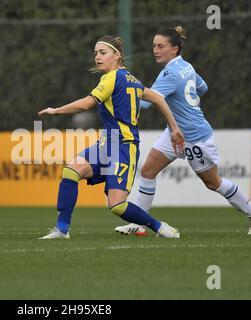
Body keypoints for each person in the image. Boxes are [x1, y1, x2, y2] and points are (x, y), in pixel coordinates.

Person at [115, 26, 251, 236]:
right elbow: (202, 87)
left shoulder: (169, 73)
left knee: (213, 182)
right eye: (154, 46)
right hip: (175, 132)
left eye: (161, 46)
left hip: (194, 137)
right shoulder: (186, 66)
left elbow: (150, 102)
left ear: (175, 49)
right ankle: (140, 222)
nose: (155, 50)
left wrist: (121, 92)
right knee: (148, 171)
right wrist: (188, 107)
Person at [37, 35, 185, 239]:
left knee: (116, 205)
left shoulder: (112, 78)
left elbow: (86, 104)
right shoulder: (132, 79)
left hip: (124, 147)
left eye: (103, 52)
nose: (97, 57)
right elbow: (158, 99)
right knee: (71, 171)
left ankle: (159, 226)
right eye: (96, 53)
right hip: (106, 145)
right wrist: (174, 128)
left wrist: (56, 111)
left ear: (117, 55)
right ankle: (62, 229)